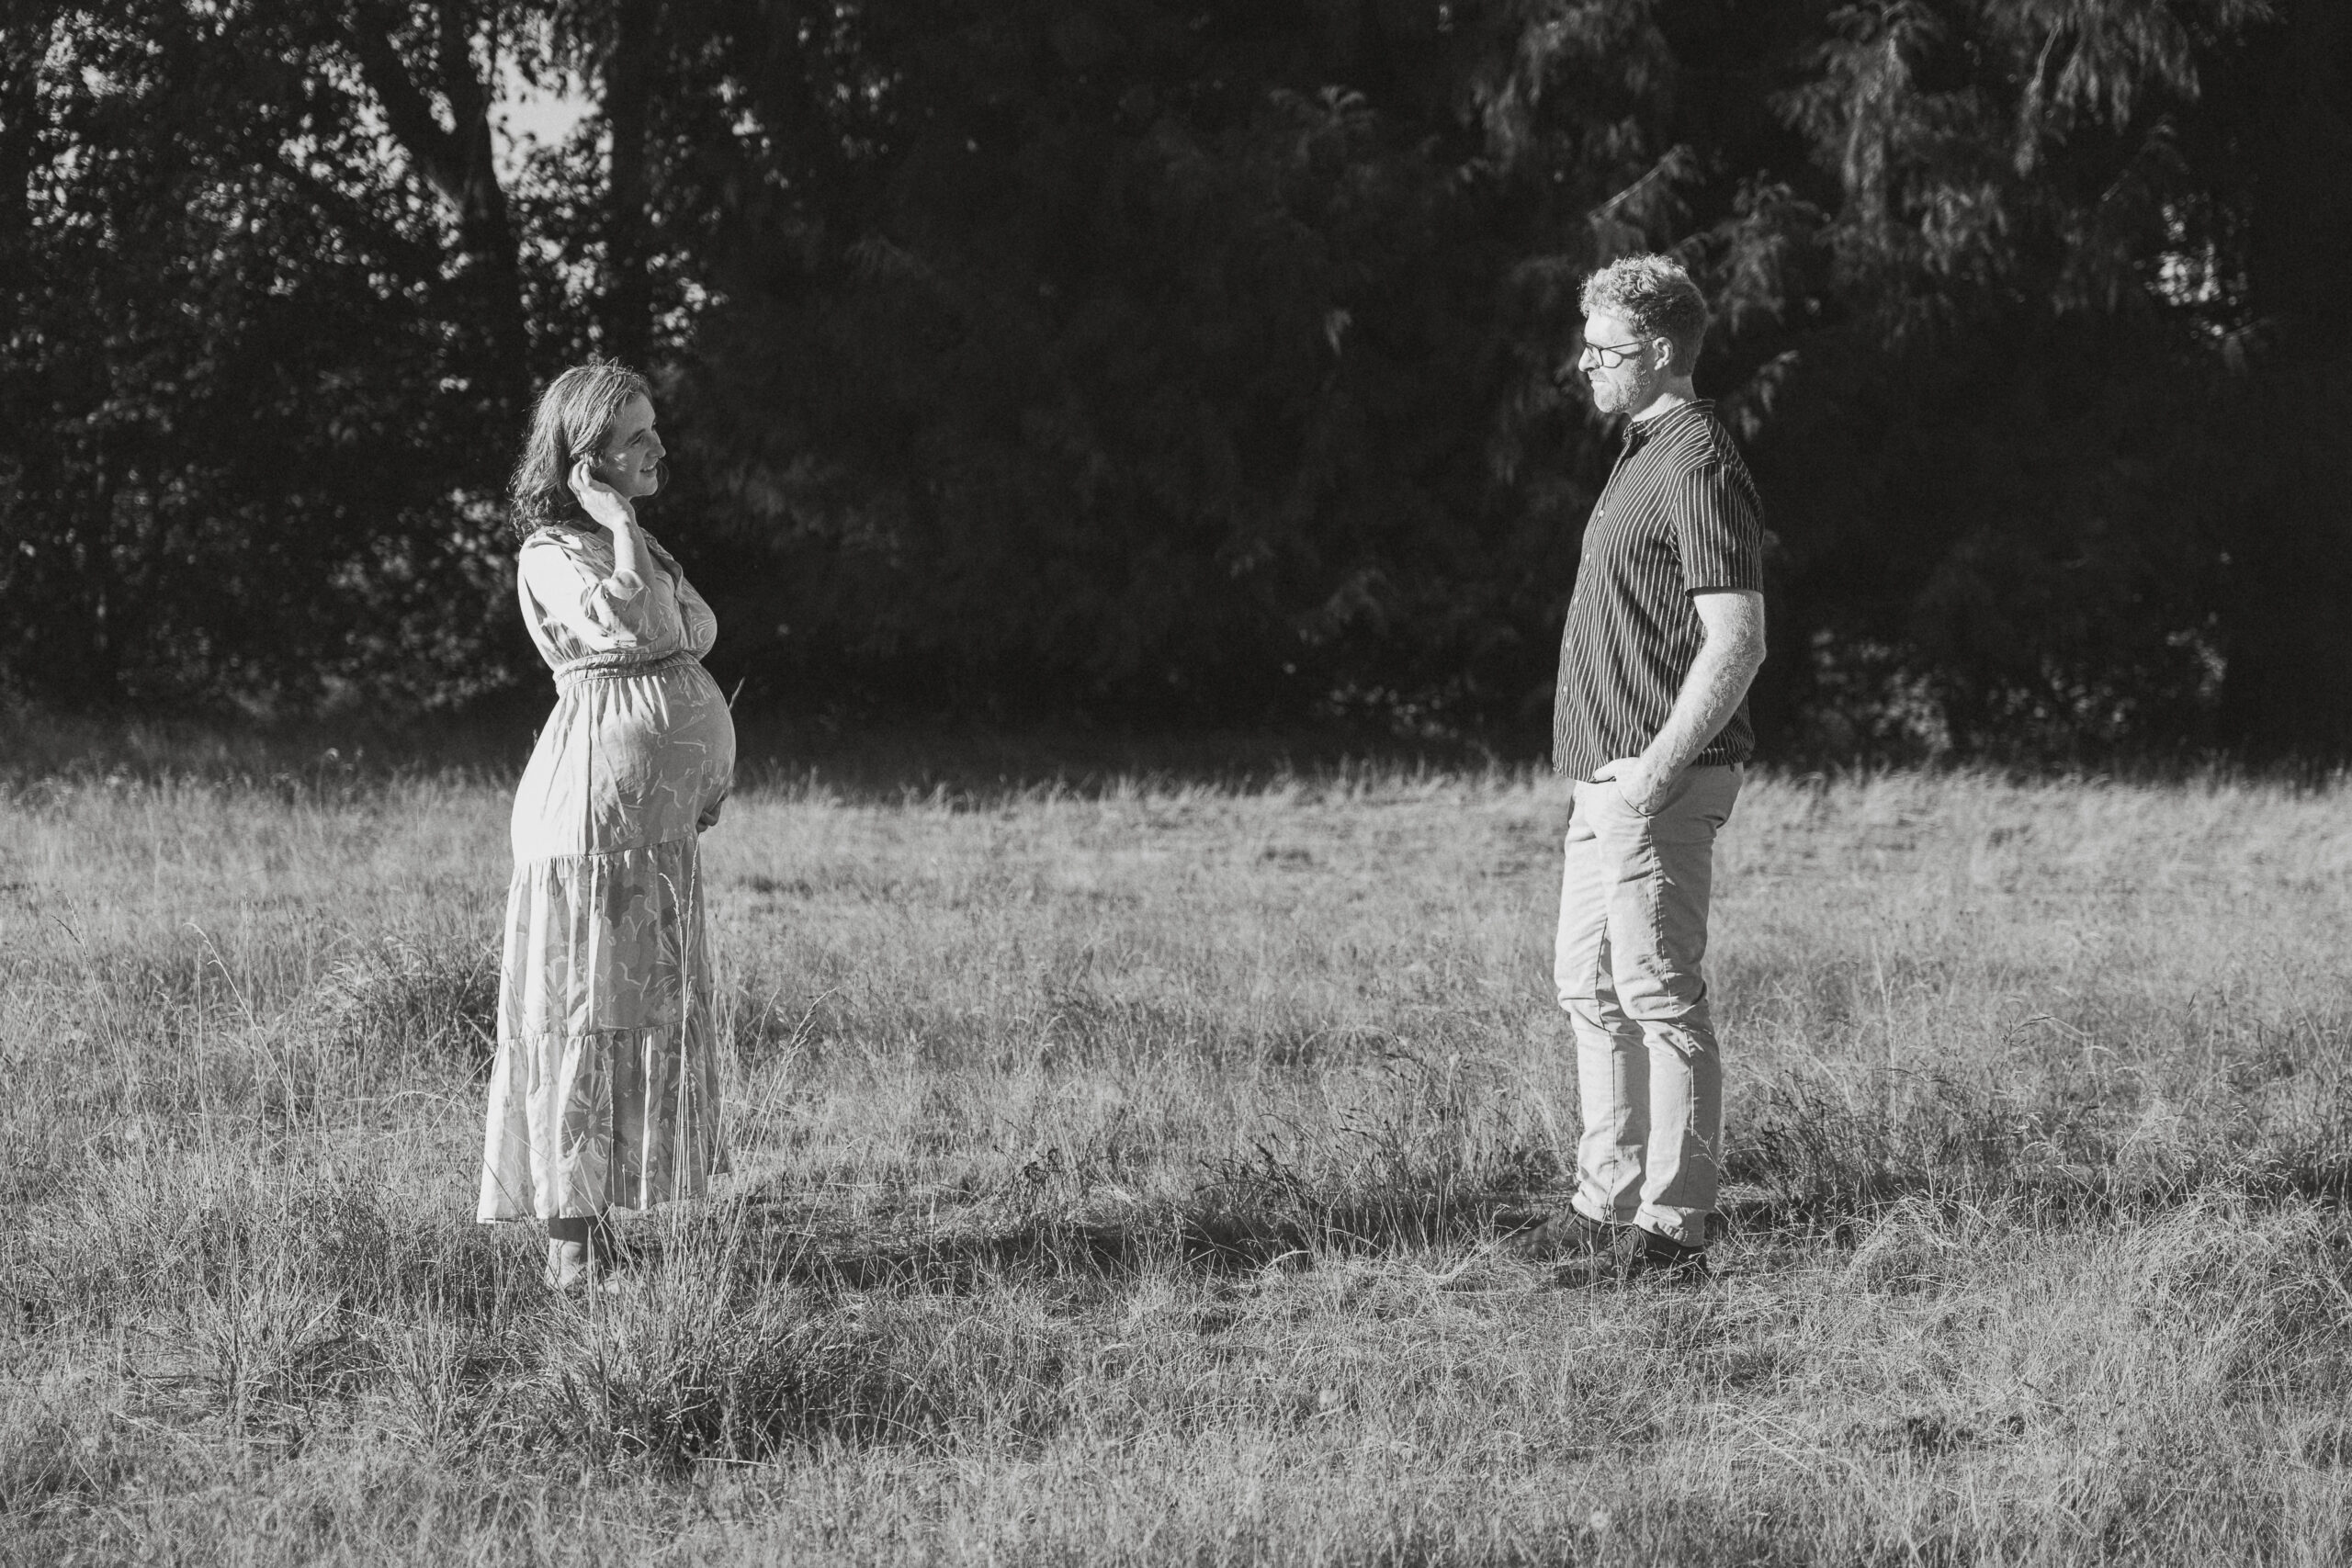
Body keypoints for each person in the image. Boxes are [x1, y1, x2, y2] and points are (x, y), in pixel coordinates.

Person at [1512, 254, 1769, 1285]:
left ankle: (1673, 1232)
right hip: (1601, 778)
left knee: (1659, 998)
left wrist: (1655, 774)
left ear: (1659, 352)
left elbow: (1738, 638)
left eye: (1603, 350)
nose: (1584, 367)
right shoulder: (1640, 453)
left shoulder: (1698, 459)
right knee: (1589, 989)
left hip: (1655, 780)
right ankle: (1605, 1202)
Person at [476, 362, 737, 1290]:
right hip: (588, 823)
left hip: (644, 827)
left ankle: (601, 1227)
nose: (658, 448)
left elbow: (685, 634)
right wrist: (620, 525)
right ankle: (568, 1247)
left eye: (654, 429)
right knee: (580, 1017)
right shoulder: (556, 550)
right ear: (587, 461)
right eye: (636, 438)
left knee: (631, 1015)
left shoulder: (638, 543)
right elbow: (626, 632)